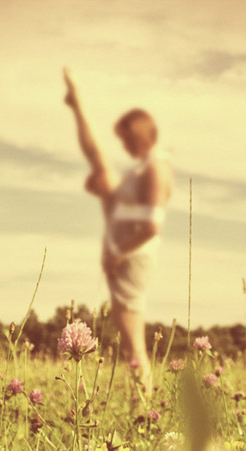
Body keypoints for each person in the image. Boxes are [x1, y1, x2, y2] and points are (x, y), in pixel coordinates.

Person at [63, 68, 172, 381]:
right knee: (130, 345)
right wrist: (104, 192)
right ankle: (77, 105)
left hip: (131, 257)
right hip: (127, 252)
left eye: (126, 139)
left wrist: (117, 252)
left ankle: (144, 403)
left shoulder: (156, 168)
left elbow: (151, 227)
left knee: (133, 346)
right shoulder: (145, 168)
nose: (123, 145)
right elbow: (97, 157)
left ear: (139, 134)